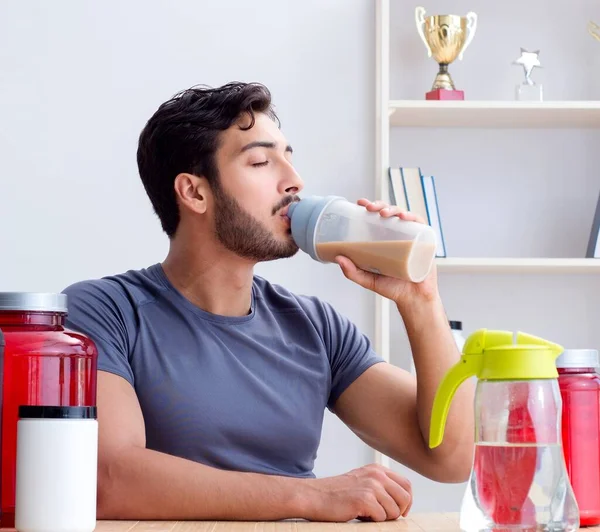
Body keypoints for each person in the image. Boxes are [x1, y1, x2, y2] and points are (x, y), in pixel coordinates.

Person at [62, 81, 475, 523]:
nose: (294, 181)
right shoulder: (101, 312)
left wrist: (421, 300)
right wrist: (311, 496)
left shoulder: (315, 327)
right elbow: (108, 477)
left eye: (289, 157)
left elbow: (449, 458)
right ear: (194, 192)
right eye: (261, 161)